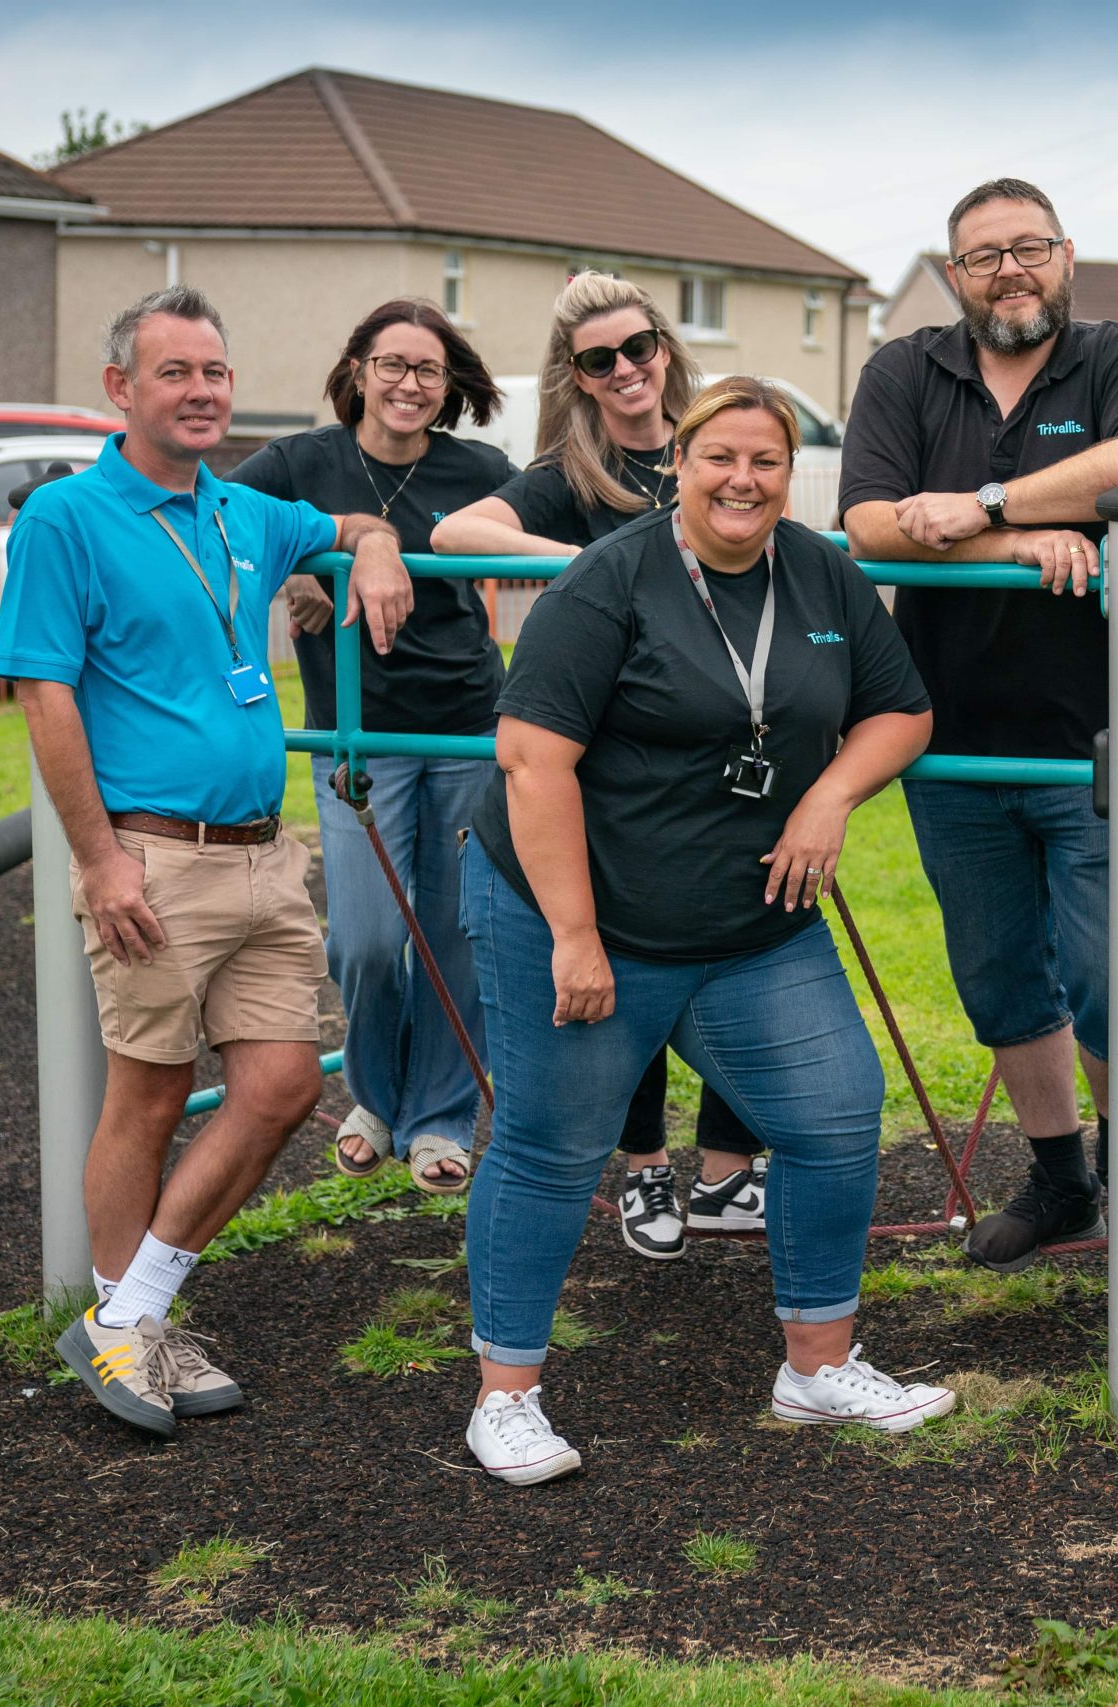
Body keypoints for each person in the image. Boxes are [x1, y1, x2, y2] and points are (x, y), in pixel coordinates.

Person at [459, 377, 950, 1486]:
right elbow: (532, 761)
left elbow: (903, 710)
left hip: (747, 926)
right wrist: (574, 937)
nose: (742, 480)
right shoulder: (609, 579)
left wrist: (828, 797)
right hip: (588, 912)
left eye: (765, 462)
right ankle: (505, 1397)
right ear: (678, 462)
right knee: (549, 1146)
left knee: (833, 1117)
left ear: (790, 473)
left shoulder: (818, 566)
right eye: (719, 457)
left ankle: (816, 1369)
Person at [0, 285, 414, 1437]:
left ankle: (130, 1318)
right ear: (121, 388)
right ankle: (134, 1332)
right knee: (153, 1091)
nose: (200, 392)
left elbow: (353, 525)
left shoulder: (245, 511)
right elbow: (46, 696)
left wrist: (372, 550)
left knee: (281, 1085)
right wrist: (98, 859)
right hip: (151, 857)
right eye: (174, 372)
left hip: (262, 855)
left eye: (214, 373)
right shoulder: (66, 521)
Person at [841, 177, 1118, 1270]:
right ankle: (1060, 1178)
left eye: (1027, 247)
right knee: (997, 978)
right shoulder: (906, 368)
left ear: (1065, 254)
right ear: (954, 276)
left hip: (1098, 745)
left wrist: (987, 505)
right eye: (983, 254)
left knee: (1105, 980)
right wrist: (1026, 543)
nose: (1009, 268)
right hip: (945, 739)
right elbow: (866, 525)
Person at [435, 273, 768, 1258]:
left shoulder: (712, 441)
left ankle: (725, 1173)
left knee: (746, 943)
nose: (625, 370)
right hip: (618, 745)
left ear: (664, 347)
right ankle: (642, 1174)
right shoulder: (570, 478)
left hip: (730, 735)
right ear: (574, 378)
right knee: (627, 954)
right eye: (599, 360)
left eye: (638, 348)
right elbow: (458, 533)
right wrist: (598, 564)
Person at [230, 299, 512, 1196]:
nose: (409, 384)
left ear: (447, 385)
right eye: (392, 364)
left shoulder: (479, 468)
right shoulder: (300, 462)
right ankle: (377, 1095)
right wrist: (311, 567)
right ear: (356, 369)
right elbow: (221, 522)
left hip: (466, 725)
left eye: (428, 370)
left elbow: (546, 530)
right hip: (359, 732)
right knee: (362, 934)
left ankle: (433, 1115)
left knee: (449, 930)